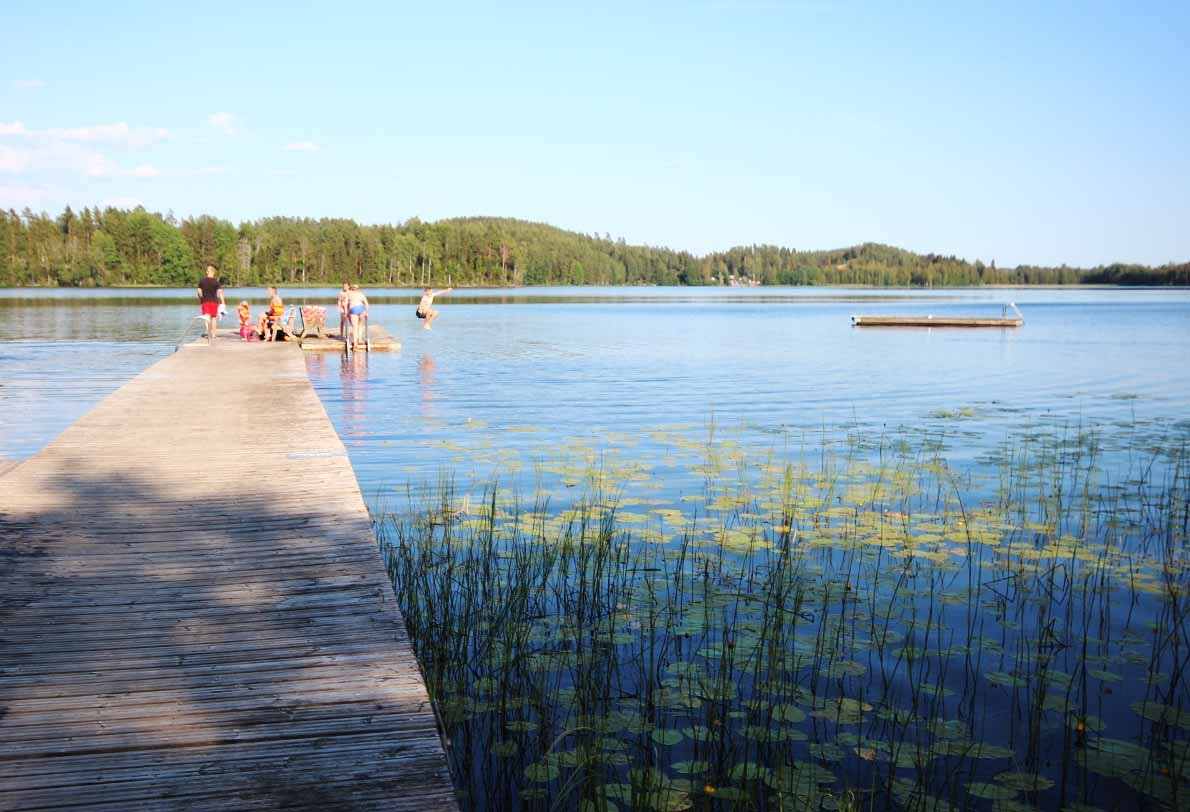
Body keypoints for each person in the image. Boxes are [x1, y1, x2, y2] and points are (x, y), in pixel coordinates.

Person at [196, 266, 225, 344]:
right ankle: (214, 335)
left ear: (207, 272)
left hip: (205, 301)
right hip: (214, 302)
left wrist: (201, 298)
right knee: (213, 318)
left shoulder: (202, 281)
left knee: (206, 318)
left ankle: (208, 334)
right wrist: (223, 303)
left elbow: (199, 292)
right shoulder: (216, 281)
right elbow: (220, 292)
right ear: (213, 272)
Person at [345, 284, 369, 349]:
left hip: (353, 309)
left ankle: (355, 343)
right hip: (361, 308)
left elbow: (345, 304)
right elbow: (366, 303)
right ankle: (360, 339)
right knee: (360, 325)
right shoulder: (361, 294)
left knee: (355, 327)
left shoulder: (349, 294)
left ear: (352, 289)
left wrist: (346, 312)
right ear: (358, 289)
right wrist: (367, 312)